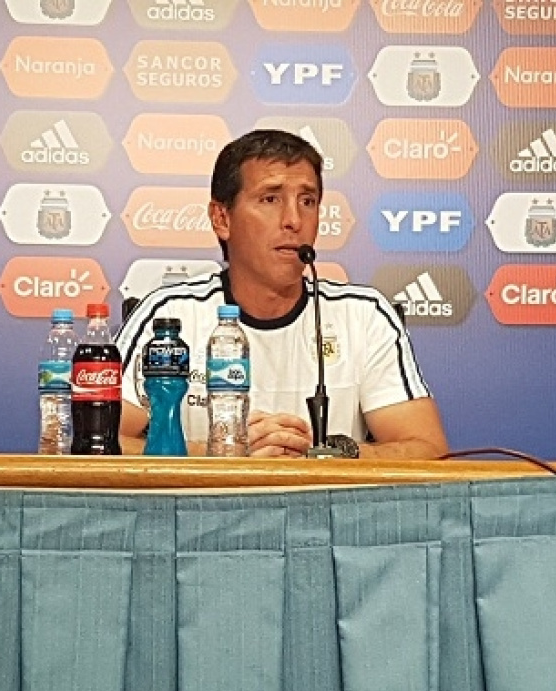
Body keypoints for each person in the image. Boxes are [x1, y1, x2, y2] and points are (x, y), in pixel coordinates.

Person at [115, 129, 449, 458]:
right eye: (270, 199)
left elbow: (428, 449)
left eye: (307, 201)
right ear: (222, 218)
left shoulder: (363, 315)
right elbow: (100, 446)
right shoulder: (168, 317)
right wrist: (225, 453)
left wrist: (327, 455)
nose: (294, 220)